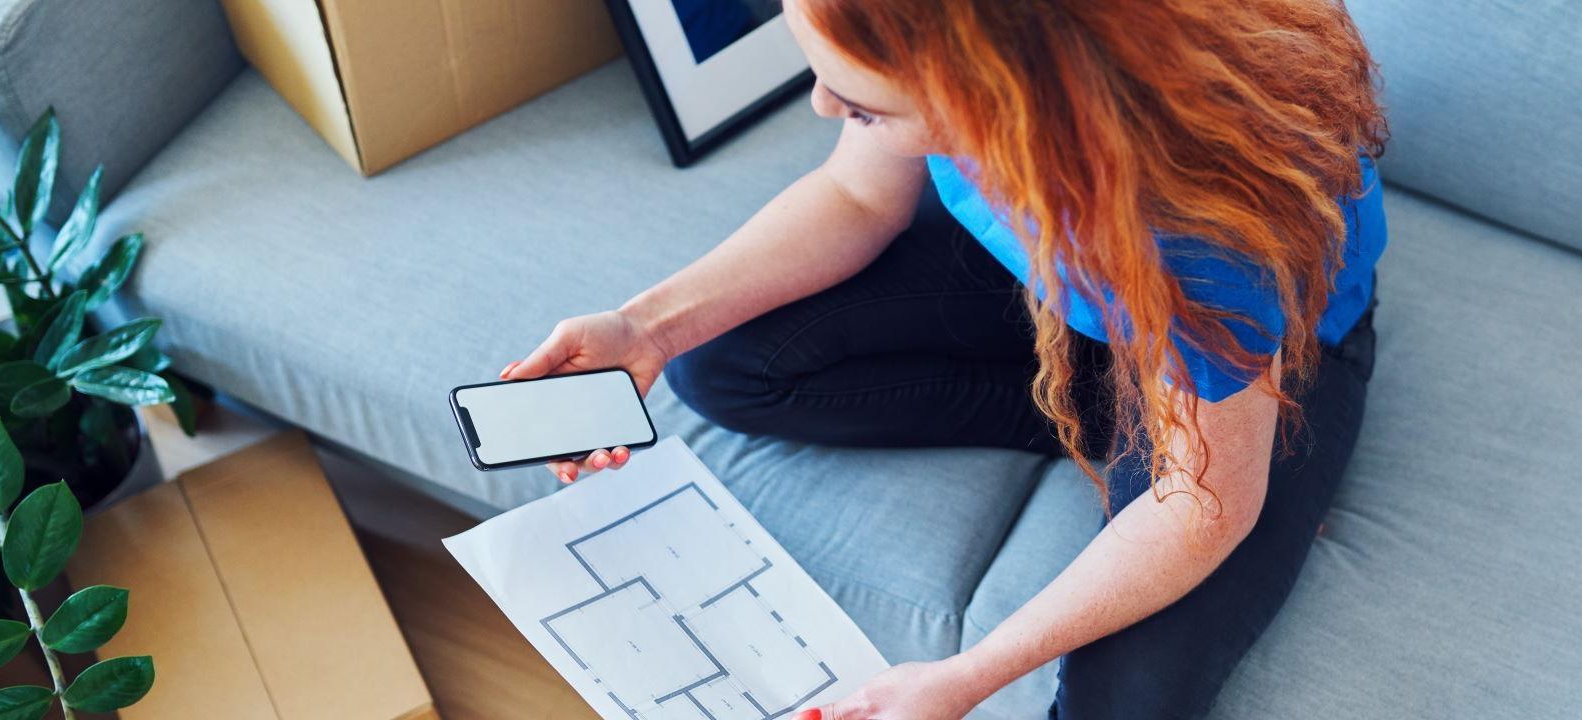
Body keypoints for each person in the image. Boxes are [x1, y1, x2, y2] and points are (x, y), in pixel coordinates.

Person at [501, 0, 1388, 717]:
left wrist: (964, 676)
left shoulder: (1195, 224)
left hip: (1248, 339)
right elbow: (856, 196)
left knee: (1128, 698)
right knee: (715, 363)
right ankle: (1121, 436)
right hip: (1059, 287)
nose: (821, 108)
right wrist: (645, 330)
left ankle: (1229, 455)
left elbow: (1203, 508)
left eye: (862, 104)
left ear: (989, 94)